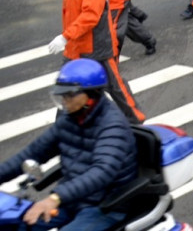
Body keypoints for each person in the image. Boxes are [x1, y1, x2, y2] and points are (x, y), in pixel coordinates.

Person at [0, 59, 138, 231]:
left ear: (91, 95)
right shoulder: (70, 118)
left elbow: (101, 172)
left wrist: (55, 198)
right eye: (62, 95)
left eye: (69, 95)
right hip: (72, 199)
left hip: (104, 205)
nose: (64, 101)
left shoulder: (112, 126)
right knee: (15, 223)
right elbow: (33, 152)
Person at [50, 0, 145, 124]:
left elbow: (91, 15)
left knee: (114, 85)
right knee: (66, 87)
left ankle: (136, 119)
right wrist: (68, 39)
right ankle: (61, 127)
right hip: (75, 46)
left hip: (95, 46)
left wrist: (65, 37)